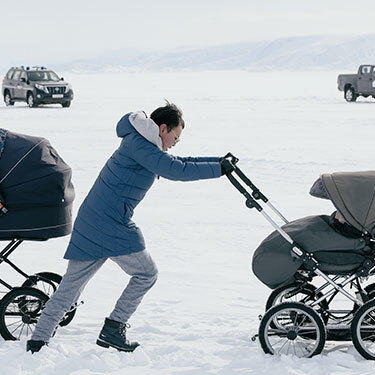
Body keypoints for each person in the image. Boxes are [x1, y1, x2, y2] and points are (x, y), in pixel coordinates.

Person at [27, 103, 235, 353]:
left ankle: (38, 340)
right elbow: (175, 170)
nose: (176, 142)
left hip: (97, 220)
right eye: (175, 137)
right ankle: (113, 327)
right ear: (163, 128)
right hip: (109, 223)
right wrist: (218, 170)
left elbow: (178, 161)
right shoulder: (140, 145)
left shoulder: (141, 143)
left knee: (71, 288)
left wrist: (219, 162)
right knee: (146, 274)